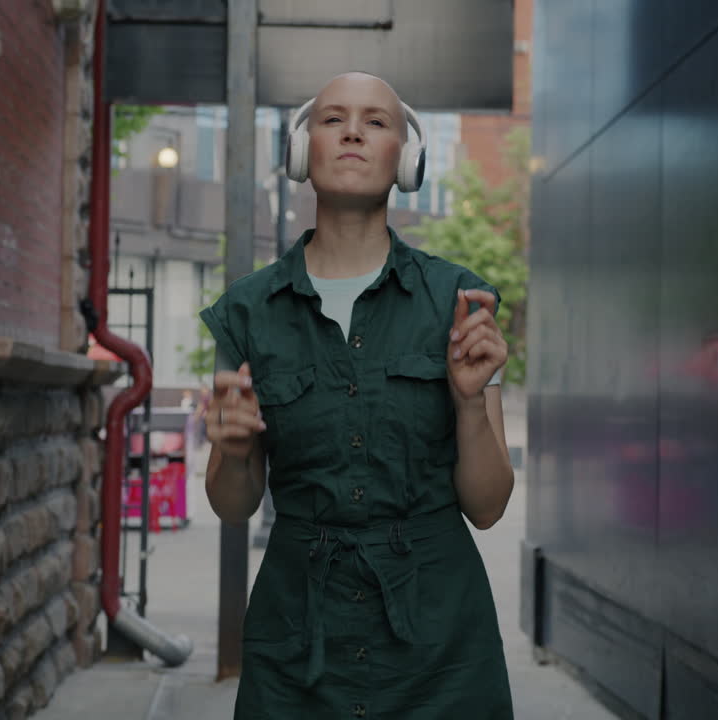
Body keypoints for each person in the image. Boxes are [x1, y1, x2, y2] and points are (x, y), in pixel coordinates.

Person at [200, 72, 515, 719]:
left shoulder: (461, 303)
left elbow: (487, 507)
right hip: (297, 636)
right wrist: (231, 452)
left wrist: (468, 401)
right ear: (299, 151)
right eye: (331, 118)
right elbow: (234, 506)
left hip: (439, 640)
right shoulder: (249, 312)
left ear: (409, 156)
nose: (351, 131)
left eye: (376, 121)